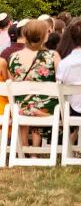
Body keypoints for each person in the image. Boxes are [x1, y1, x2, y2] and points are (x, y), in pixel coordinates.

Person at [7, 20, 60, 150]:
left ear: (24, 36)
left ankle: (25, 147)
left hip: (20, 110)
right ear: (45, 36)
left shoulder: (13, 57)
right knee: (39, 101)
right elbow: (61, 81)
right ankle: (35, 150)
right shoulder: (53, 56)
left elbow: (13, 83)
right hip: (47, 108)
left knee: (26, 101)